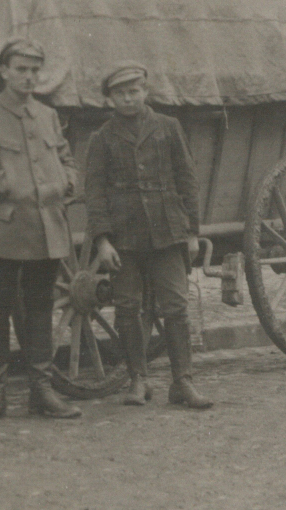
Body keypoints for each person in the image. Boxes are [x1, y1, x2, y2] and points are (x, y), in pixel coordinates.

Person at [0, 38, 81, 422]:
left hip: (45, 229)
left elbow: (66, 158)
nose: (28, 77)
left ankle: (42, 392)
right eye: (21, 69)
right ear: (3, 70)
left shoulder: (47, 116)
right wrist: (6, 184)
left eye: (34, 70)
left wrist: (68, 181)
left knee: (40, 310)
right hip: (3, 232)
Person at [85, 63, 212, 410]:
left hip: (167, 232)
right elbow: (94, 193)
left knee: (176, 306)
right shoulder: (102, 138)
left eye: (134, 91)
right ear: (110, 98)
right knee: (127, 308)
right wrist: (102, 241)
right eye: (120, 93)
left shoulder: (168, 127)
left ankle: (183, 381)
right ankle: (138, 380)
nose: (128, 98)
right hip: (123, 237)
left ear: (145, 91)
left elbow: (187, 180)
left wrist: (192, 232)